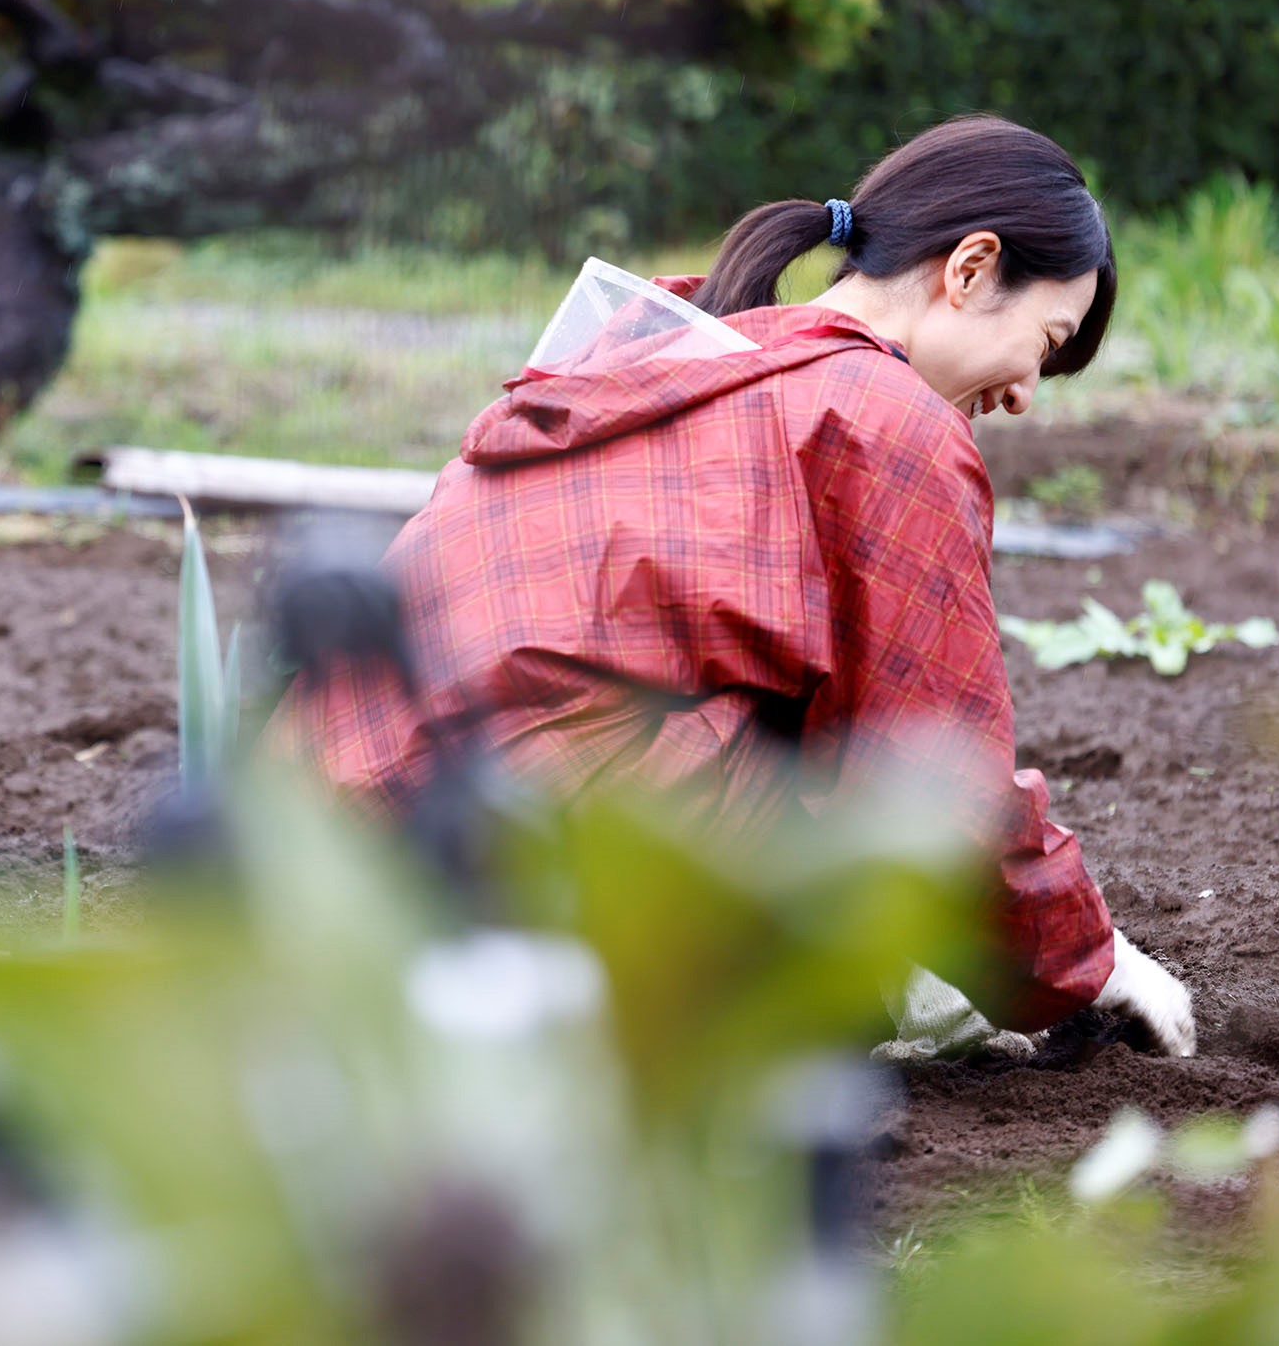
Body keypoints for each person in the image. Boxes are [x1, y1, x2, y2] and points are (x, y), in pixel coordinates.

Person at [283, 115, 1195, 1055]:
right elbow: (939, 777)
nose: (1023, 396)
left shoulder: (682, 352)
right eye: (1044, 344)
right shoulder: (884, 418)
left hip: (304, 858)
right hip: (504, 884)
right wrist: (1093, 960)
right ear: (967, 269)